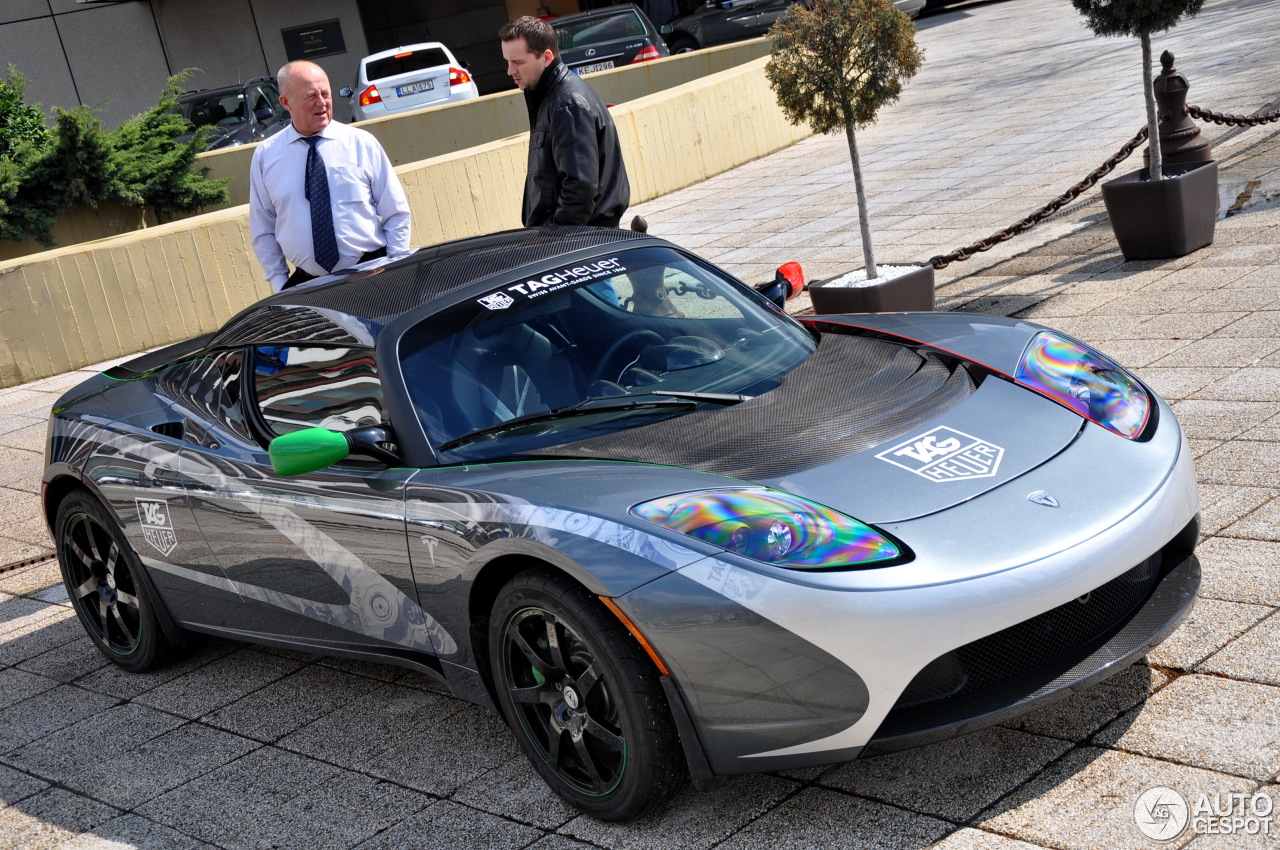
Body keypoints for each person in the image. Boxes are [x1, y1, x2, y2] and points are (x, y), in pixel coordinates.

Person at [249, 60, 411, 292]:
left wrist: (395, 265)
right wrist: (280, 285)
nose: (322, 103)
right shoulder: (266, 156)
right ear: (286, 102)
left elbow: (396, 211)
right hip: (308, 287)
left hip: (374, 273)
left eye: (326, 93)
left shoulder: (361, 143)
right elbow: (263, 227)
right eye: (310, 96)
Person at [499, 16, 630, 228]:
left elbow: (579, 189)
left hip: (580, 240)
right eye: (508, 61)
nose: (510, 71)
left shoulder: (567, 104)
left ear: (547, 57)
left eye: (518, 62)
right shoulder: (551, 98)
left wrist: (555, 238)